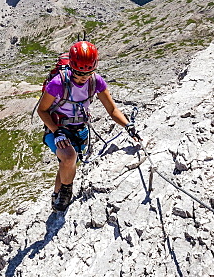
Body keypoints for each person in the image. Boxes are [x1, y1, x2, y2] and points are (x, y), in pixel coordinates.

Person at [36, 40, 138, 211]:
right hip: (57, 128)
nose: (84, 77)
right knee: (69, 157)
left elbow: (112, 110)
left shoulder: (96, 81)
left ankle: (56, 195)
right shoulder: (58, 84)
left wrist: (128, 126)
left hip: (79, 130)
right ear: (71, 67)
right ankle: (66, 191)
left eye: (90, 72)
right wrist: (57, 131)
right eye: (78, 73)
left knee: (67, 162)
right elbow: (42, 110)